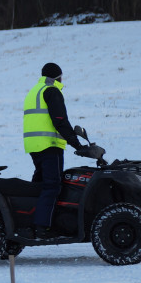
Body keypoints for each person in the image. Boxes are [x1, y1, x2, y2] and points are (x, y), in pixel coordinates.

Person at [22, 62, 102, 238]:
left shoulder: (34, 90)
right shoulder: (52, 91)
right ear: (58, 76)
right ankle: (42, 227)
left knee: (39, 184)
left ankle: (26, 221)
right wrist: (77, 144)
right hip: (49, 144)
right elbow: (60, 121)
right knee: (52, 185)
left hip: (34, 145)